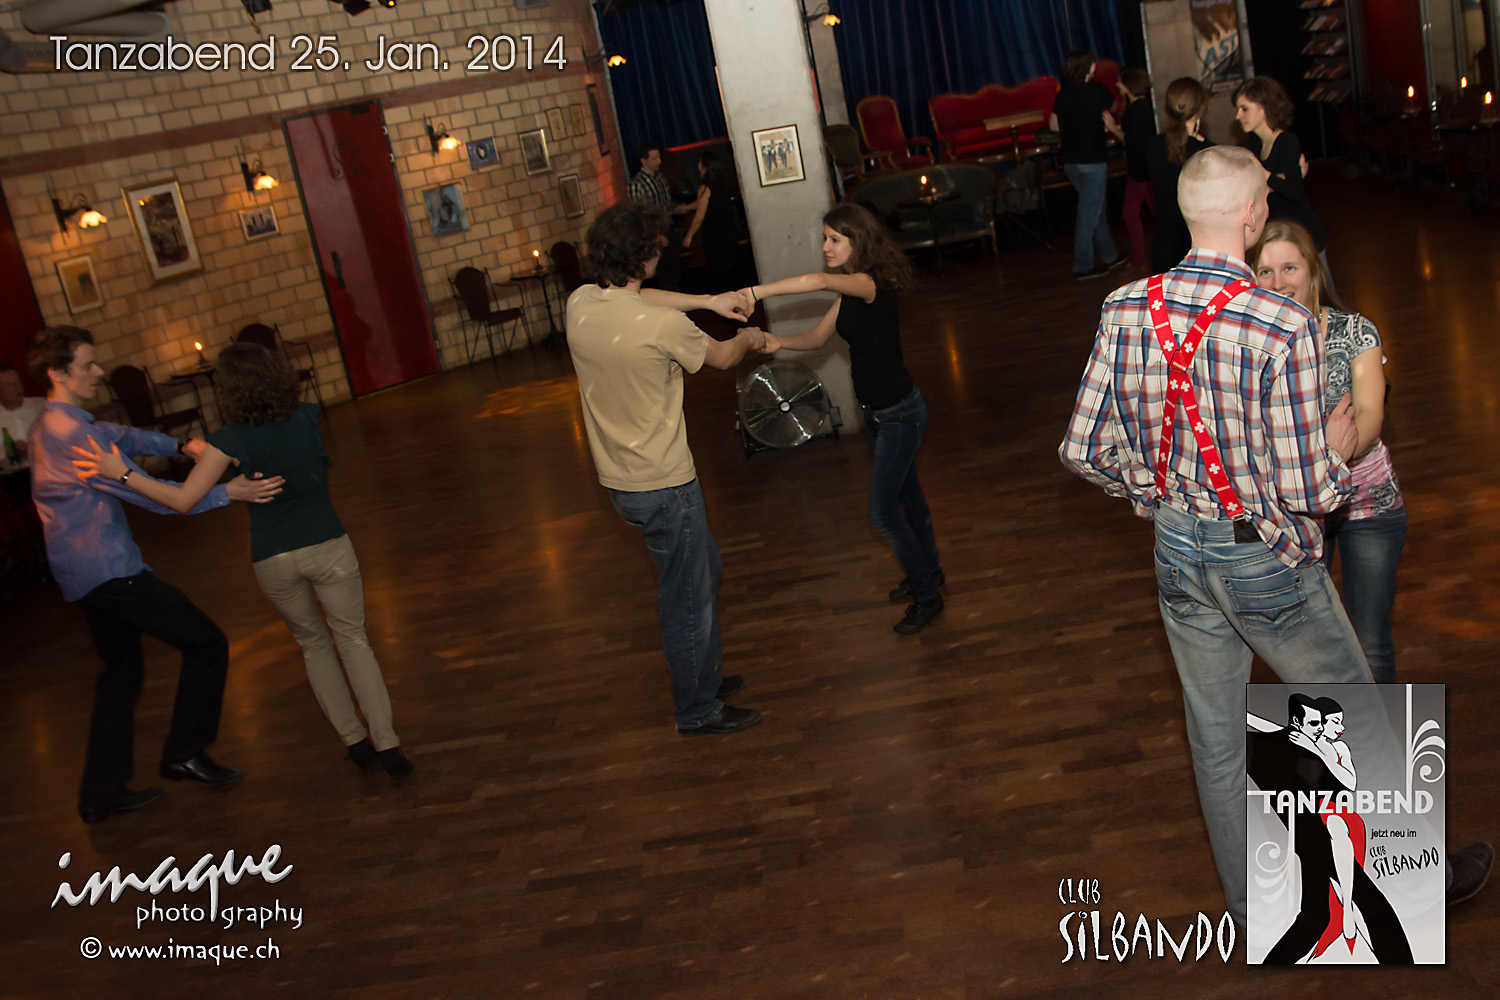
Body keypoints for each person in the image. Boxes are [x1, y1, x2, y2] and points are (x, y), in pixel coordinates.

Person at [1059, 145, 1374, 929]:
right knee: (1357, 720)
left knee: (1217, 741)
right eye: (1265, 193)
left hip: (1176, 548)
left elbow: (1082, 448)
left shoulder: (1124, 306)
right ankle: (1397, 895)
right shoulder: (1282, 321)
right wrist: (1338, 462)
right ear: (1250, 214)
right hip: (1261, 558)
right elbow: (1303, 488)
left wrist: (1153, 494)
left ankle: (1252, 910)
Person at [73, 342, 413, 779]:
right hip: (328, 546)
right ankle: (388, 745)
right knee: (354, 641)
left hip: (273, 558)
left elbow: (181, 500)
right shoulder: (306, 417)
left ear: (228, 390)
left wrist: (120, 473)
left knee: (314, 646)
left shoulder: (228, 440)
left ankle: (355, 742)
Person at [27, 326, 283, 823]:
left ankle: (100, 793)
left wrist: (182, 445)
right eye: (87, 365)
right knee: (206, 643)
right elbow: (157, 498)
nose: (99, 371)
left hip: (80, 574)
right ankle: (185, 752)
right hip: (109, 573)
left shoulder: (52, 422)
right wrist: (227, 492)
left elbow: (122, 436)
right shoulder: (73, 436)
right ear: (58, 373)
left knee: (121, 675)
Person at [565, 203, 765, 735]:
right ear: (644, 256)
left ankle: (705, 673)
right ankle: (697, 710)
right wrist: (751, 337)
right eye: (656, 243)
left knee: (704, 570)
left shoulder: (580, 303)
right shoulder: (662, 326)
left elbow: (637, 297)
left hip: (622, 483)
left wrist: (708, 301)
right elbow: (723, 358)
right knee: (687, 600)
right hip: (667, 485)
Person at [743, 203, 945, 635]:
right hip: (878, 414)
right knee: (908, 496)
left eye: (835, 239)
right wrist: (776, 341)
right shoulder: (849, 294)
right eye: (825, 238)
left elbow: (815, 280)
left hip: (900, 414)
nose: (825, 246)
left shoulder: (869, 283)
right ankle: (928, 571)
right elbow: (817, 337)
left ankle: (927, 595)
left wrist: (755, 293)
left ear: (859, 241)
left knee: (883, 512)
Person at [1249, 220, 1405, 682]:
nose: (1278, 281)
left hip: (1366, 506)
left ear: (1313, 272)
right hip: (1294, 515)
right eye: (1265, 271)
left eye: (1290, 267)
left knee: (1370, 641)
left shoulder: (1354, 331)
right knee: (1307, 652)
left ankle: (1380, 732)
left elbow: (1370, 416)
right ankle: (1329, 732)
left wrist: (1325, 458)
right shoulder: (1247, 346)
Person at [1246, 695, 1413, 963]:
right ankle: (1401, 962)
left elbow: (1347, 783)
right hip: (1322, 834)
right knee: (1361, 904)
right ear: (1297, 723)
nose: (1321, 728)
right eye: (1315, 723)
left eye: (1322, 723)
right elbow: (1273, 730)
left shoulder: (1318, 746)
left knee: (1321, 913)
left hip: (1328, 830)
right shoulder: (1296, 745)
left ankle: (1273, 965)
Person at [1233, 76, 1331, 280]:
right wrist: (1276, 180)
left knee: (1322, 296)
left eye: (1244, 108)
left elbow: (1294, 191)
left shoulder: (1286, 141)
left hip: (1305, 237)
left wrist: (1266, 176)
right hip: (1280, 243)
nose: (1238, 116)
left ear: (1263, 107)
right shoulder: (1253, 148)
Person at [1049, 49, 1127, 279]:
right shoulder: (1096, 90)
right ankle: (1083, 266)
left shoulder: (1063, 94)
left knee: (1095, 208)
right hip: (1093, 159)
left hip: (1071, 162)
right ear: (1089, 67)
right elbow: (1114, 106)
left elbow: (1053, 125)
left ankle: (1110, 254)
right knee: (1088, 212)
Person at [1146, 77, 1212, 273]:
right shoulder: (1207, 152)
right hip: (1198, 249)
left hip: (1164, 245)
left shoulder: (1154, 145)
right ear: (1200, 109)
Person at [628, 141, 692, 291]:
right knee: (664, 275)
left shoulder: (660, 178)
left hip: (669, 228)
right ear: (644, 161)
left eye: (659, 157)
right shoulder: (636, 184)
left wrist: (680, 209)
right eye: (654, 158)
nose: (659, 161)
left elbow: (666, 204)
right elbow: (640, 215)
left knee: (675, 272)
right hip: (655, 234)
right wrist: (656, 235)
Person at [682, 150, 741, 293]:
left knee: (720, 276)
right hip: (730, 232)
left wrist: (688, 236)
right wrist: (686, 207)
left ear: (705, 166)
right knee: (732, 274)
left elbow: (700, 215)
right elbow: (705, 203)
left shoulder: (705, 187)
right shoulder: (724, 183)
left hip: (715, 237)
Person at [1118, 66, 1157, 269]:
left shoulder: (1137, 110)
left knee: (1135, 214)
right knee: (1132, 214)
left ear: (1128, 85)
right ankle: (1139, 259)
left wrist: (1111, 127)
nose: (1117, 84)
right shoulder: (1144, 106)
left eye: (1120, 82)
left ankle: (1140, 260)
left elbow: (1130, 140)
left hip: (1141, 171)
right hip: (1143, 169)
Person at [0, 361, 44, 465]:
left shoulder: (41, 405)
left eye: (18, 382)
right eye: (10, 385)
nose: (17, 387)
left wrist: (30, 447)